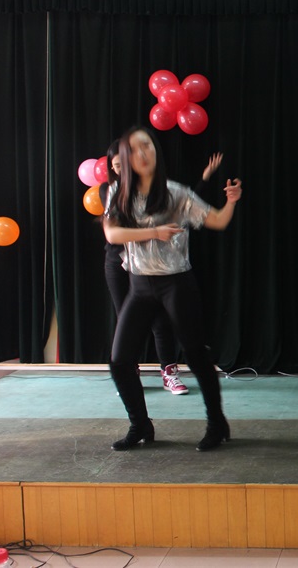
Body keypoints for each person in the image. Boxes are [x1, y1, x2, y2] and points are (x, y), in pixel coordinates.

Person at [103, 126, 242, 451]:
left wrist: (231, 201)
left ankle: (217, 423)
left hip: (176, 283)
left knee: (195, 354)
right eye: (135, 149)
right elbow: (112, 235)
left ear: (156, 151)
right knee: (120, 360)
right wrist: (154, 232)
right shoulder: (118, 192)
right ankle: (140, 424)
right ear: (125, 158)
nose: (143, 153)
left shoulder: (176, 193)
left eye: (147, 146)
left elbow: (218, 221)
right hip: (139, 285)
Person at [100, 142, 224, 396]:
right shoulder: (111, 190)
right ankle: (130, 374)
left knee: (160, 321)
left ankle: (169, 373)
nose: (122, 170)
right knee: (125, 321)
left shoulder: (156, 190)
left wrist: (204, 179)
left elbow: (183, 207)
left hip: (150, 266)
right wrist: (154, 231)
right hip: (117, 263)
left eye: (125, 164)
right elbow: (118, 231)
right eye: (116, 167)